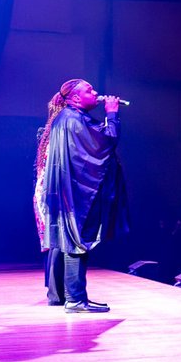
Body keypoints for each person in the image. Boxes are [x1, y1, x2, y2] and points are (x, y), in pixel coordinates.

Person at [34, 79, 127, 313]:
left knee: (69, 242)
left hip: (67, 193)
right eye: (89, 90)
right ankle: (75, 300)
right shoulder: (73, 119)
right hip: (77, 194)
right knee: (76, 242)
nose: (95, 93)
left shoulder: (66, 118)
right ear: (76, 98)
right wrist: (112, 114)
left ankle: (70, 297)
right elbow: (106, 141)